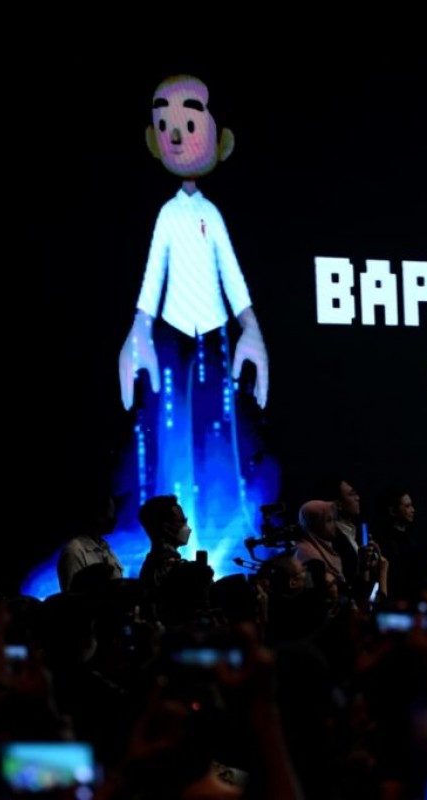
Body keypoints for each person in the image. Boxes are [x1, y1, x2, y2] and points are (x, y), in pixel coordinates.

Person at [118, 73, 269, 549]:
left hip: (215, 330)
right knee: (167, 425)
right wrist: (138, 330)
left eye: (188, 121)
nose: (178, 135)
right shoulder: (167, 215)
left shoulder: (212, 214)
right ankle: (168, 531)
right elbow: (151, 276)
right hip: (170, 329)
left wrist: (251, 328)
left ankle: (225, 518)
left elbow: (232, 273)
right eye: (166, 124)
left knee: (216, 423)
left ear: (218, 137)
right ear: (153, 137)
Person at [57, 495, 124, 592]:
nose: (114, 519)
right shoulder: (74, 552)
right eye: (110, 513)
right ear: (98, 514)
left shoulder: (105, 547)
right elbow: (71, 600)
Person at [136, 495, 191, 594]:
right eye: (181, 522)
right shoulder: (168, 565)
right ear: (166, 527)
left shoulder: (153, 561)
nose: (187, 528)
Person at [293, 501, 344, 587]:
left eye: (333, 519)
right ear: (315, 525)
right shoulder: (307, 554)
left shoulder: (326, 546)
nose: (334, 525)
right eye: (328, 520)